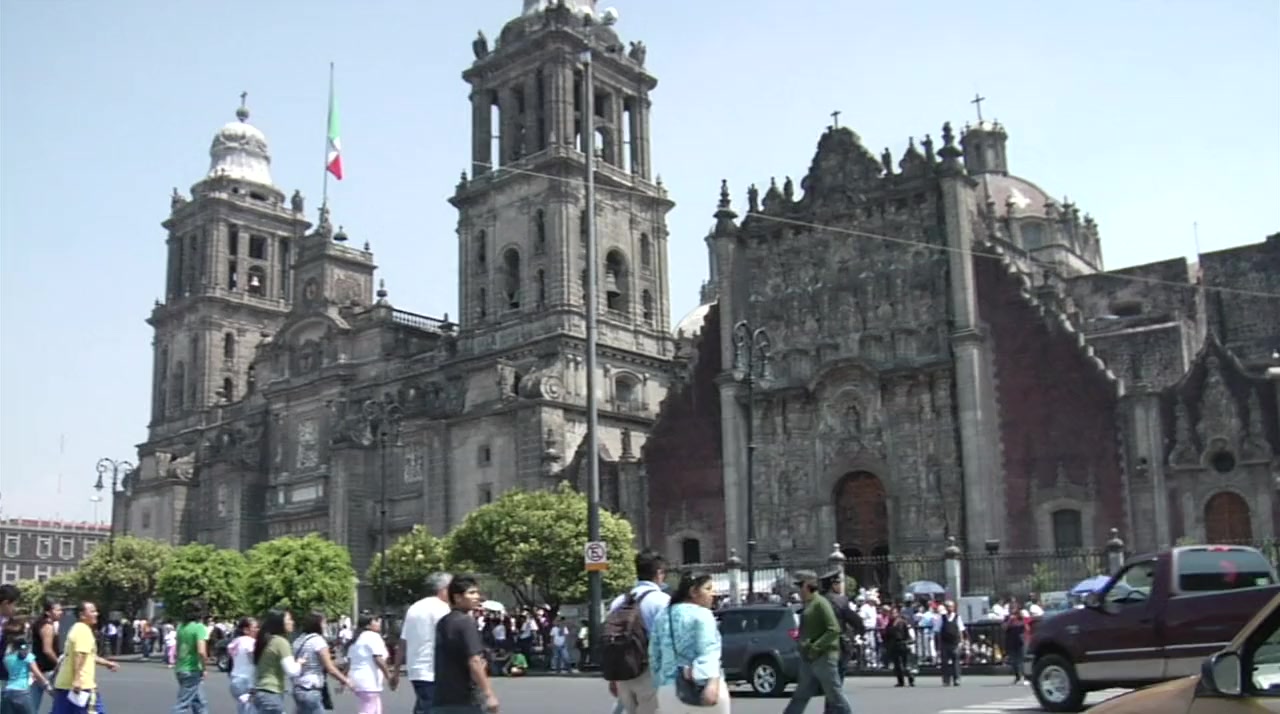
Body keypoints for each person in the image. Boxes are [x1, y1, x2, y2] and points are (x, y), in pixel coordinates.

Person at [646, 572, 727, 713]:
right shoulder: (703, 614)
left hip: (668, 690)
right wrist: (712, 683)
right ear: (693, 592)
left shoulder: (663, 615)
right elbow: (708, 651)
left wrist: (660, 682)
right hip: (701, 687)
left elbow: (654, 655)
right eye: (708, 589)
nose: (712, 594)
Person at [604, 550, 670, 714]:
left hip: (623, 673)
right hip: (649, 673)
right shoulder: (661, 601)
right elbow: (668, 642)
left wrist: (613, 678)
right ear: (659, 573)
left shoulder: (619, 601)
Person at [781, 572, 853, 714]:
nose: (798, 590)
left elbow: (834, 629)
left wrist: (816, 646)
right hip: (809, 657)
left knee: (835, 696)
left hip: (824, 657)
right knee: (801, 695)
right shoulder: (809, 604)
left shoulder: (821, 603)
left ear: (807, 586)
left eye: (800, 586)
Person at [433, 575, 499, 714]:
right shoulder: (465, 622)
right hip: (465, 699)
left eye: (477, 593)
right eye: (471, 593)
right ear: (457, 597)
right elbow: (474, 661)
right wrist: (489, 694)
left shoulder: (442, 622)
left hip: (441, 697)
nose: (477, 597)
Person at [397, 572, 453, 714]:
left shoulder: (414, 608)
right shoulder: (442, 608)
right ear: (444, 589)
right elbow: (450, 638)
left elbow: (403, 640)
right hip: (434, 669)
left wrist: (396, 670)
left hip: (415, 668)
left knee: (424, 705)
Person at [50, 602, 118, 714]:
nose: (96, 614)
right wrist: (77, 679)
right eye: (92, 611)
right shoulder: (83, 630)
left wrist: (107, 663)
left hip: (65, 685)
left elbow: (89, 656)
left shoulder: (76, 628)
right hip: (82, 686)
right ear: (82, 615)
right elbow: (80, 654)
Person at [291, 610, 352, 714]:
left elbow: (313, 661)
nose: (325, 626)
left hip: (298, 687)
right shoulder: (318, 641)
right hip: (311, 688)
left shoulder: (298, 640)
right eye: (323, 623)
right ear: (317, 624)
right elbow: (329, 668)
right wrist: (345, 680)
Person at [251, 610, 300, 714]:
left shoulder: (268, 641)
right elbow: (292, 671)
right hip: (272, 693)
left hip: (261, 692)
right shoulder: (281, 642)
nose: (292, 622)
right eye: (289, 619)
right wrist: (300, 663)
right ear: (279, 623)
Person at [4, 616, 53, 714]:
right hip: (22, 692)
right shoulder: (27, 656)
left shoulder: (7, 656)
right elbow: (38, 674)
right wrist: (48, 686)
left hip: (8, 691)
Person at [347, 613, 395, 714]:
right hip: (368, 680)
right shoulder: (373, 636)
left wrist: (344, 681)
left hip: (357, 679)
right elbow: (378, 658)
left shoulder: (357, 639)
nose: (379, 622)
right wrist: (389, 676)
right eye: (376, 621)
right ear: (368, 625)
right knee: (368, 709)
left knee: (375, 708)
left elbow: (349, 662)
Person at [171, 599, 209, 713]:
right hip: (192, 669)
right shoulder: (199, 627)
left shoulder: (181, 627)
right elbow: (201, 651)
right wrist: (204, 668)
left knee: (199, 701)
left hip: (181, 667)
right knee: (183, 704)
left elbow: (177, 649)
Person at [30, 598, 62, 713]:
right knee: (63, 701)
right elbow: (47, 650)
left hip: (39, 669)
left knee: (32, 705)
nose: (61, 612)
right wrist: (59, 663)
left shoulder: (42, 623)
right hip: (47, 670)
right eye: (57, 610)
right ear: (48, 612)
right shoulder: (47, 626)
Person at [225, 617, 258, 714]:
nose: (257, 630)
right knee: (250, 709)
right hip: (246, 681)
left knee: (243, 708)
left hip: (235, 679)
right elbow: (253, 657)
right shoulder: (250, 642)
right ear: (246, 630)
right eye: (255, 627)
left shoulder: (236, 641)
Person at [936, 601, 965, 686]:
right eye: (948, 607)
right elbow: (938, 630)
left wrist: (961, 641)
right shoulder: (942, 618)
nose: (950, 608)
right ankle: (946, 680)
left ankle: (956, 679)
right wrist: (939, 644)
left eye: (951, 607)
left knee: (956, 661)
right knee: (944, 662)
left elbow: (960, 630)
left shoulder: (957, 617)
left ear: (954, 608)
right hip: (945, 643)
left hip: (955, 643)